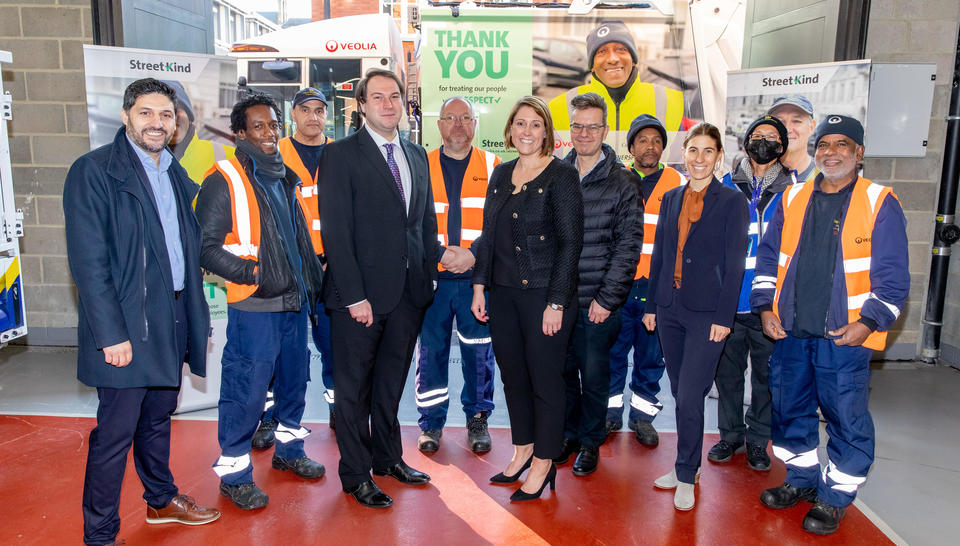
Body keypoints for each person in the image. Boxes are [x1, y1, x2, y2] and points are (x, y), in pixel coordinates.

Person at [64, 78, 220, 545]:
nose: (157, 123)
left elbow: (186, 250)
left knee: (157, 417)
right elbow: (89, 264)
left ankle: (160, 500)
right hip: (127, 326)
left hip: (171, 315)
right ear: (127, 116)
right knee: (114, 434)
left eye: (166, 115)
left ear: (176, 125)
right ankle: (101, 533)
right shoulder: (94, 172)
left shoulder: (174, 173)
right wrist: (111, 334)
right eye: (147, 113)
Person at [752, 115, 909, 535]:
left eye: (843, 145)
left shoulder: (880, 201)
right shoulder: (792, 197)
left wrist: (869, 323)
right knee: (788, 410)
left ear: (859, 153)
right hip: (790, 331)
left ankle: (835, 496)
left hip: (844, 337)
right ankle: (801, 479)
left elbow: (893, 279)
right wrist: (765, 308)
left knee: (845, 418)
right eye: (824, 144)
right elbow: (768, 262)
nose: (831, 152)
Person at [195, 92, 326, 510]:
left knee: (293, 383)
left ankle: (289, 452)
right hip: (254, 307)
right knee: (245, 390)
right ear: (240, 134)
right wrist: (254, 274)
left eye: (273, 125)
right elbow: (206, 248)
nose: (269, 133)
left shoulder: (284, 175)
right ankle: (234, 475)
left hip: (294, 303)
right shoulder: (224, 178)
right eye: (258, 126)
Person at [319, 68, 439, 509]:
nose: (388, 104)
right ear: (363, 106)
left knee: (391, 384)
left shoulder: (417, 155)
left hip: (408, 295)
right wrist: (354, 296)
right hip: (360, 299)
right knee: (355, 391)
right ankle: (355, 474)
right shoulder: (340, 155)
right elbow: (336, 231)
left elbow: (424, 223)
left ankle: (389, 459)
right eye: (378, 97)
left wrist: (428, 274)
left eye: (395, 96)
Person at [471, 96, 583, 502]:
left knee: (545, 381)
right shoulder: (500, 174)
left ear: (547, 132)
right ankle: (523, 449)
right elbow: (487, 235)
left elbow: (571, 245)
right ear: (510, 130)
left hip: (544, 299)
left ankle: (544, 460)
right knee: (513, 376)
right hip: (502, 296)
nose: (527, 132)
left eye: (536, 125)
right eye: (520, 124)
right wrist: (480, 286)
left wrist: (556, 302)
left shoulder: (561, 176)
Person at [642, 122, 748, 511]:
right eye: (693, 150)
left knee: (690, 394)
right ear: (683, 154)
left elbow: (735, 264)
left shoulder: (732, 201)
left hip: (708, 315)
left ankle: (686, 472)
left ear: (719, 156)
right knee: (680, 393)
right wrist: (653, 305)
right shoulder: (670, 198)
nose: (699, 159)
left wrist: (725, 316)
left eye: (708, 151)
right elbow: (659, 255)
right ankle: (687, 464)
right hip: (670, 309)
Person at [556, 93, 642, 476]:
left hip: (598, 303)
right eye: (578, 125)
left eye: (593, 125)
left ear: (606, 130)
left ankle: (591, 442)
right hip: (560, 300)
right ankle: (571, 432)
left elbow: (628, 247)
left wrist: (607, 299)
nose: (585, 132)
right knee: (563, 372)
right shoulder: (556, 174)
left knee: (594, 376)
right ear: (569, 129)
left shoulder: (623, 182)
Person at [251, 87, 337, 451]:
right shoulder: (275, 152)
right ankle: (270, 417)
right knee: (283, 350)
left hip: (333, 269)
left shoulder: (341, 153)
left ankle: (340, 409)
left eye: (320, 110)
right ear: (293, 115)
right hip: (290, 270)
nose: (313, 117)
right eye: (306, 110)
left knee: (335, 347)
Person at [709, 115, 794, 471]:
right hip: (729, 300)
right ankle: (730, 435)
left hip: (768, 305)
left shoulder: (794, 191)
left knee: (766, 377)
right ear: (745, 142)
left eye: (772, 137)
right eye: (757, 135)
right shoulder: (725, 186)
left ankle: (758, 440)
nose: (764, 142)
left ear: (782, 146)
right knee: (727, 375)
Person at [415, 96, 500, 454]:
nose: (458, 125)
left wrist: (472, 254)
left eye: (465, 118)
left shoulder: (495, 166)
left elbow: (499, 225)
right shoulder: (419, 166)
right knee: (430, 352)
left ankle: (477, 418)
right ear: (439, 124)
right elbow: (409, 223)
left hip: (475, 281)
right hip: (431, 280)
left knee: (479, 351)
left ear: (475, 124)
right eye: (450, 117)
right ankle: (431, 424)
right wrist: (440, 254)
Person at [607, 114, 686, 446]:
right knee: (611, 352)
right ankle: (609, 414)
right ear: (631, 147)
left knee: (651, 356)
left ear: (663, 148)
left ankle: (642, 417)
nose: (650, 147)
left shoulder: (680, 184)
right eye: (642, 140)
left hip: (658, 288)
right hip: (620, 286)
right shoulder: (616, 181)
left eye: (656, 141)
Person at [548, 21, 687, 160]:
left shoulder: (669, 102)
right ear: (592, 65)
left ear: (633, 59)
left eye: (621, 49)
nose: (613, 59)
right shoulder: (559, 107)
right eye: (601, 52)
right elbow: (550, 170)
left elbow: (682, 168)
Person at [163, 80, 235, 184]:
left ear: (189, 115)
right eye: (163, 112)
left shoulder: (227, 156)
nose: (172, 117)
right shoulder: (135, 161)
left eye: (177, 108)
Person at [768, 95, 818, 183]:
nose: (787, 129)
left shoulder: (824, 178)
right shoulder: (756, 175)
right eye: (780, 121)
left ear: (812, 127)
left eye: (796, 121)